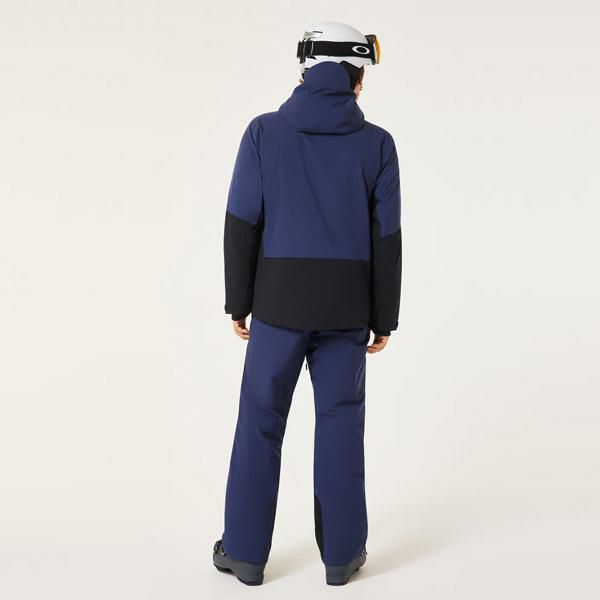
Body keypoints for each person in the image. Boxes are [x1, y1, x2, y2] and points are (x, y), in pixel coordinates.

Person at [213, 21, 402, 586]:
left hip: (277, 306)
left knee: (259, 421)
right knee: (341, 423)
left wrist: (239, 302)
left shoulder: (263, 133)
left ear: (305, 70)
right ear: (355, 76)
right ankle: (342, 557)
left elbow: (241, 223)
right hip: (347, 311)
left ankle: (244, 554)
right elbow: (387, 238)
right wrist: (384, 316)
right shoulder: (378, 144)